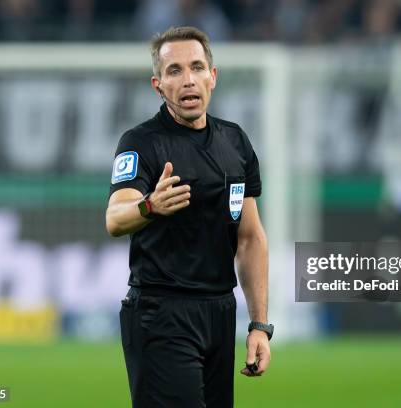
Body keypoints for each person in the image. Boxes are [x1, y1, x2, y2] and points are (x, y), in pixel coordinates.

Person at [105, 26, 272, 407]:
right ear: (158, 85)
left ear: (213, 76)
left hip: (219, 311)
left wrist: (260, 324)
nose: (188, 79)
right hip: (160, 314)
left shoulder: (235, 142)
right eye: (174, 71)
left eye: (196, 67)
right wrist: (149, 206)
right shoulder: (141, 143)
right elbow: (115, 218)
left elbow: (250, 238)